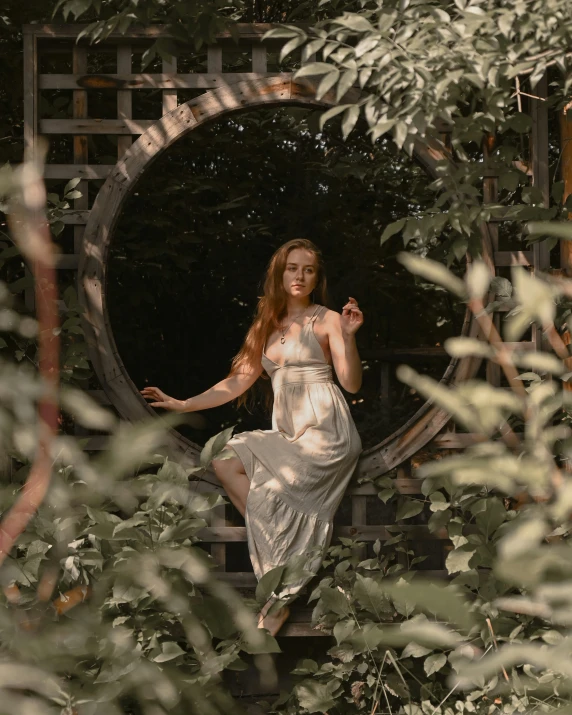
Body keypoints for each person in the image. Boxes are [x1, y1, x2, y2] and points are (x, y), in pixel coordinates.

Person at [140, 238, 363, 636]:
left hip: (327, 434)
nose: (299, 276)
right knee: (225, 459)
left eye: (308, 269)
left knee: (267, 491)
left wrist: (348, 335)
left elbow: (349, 383)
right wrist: (184, 403)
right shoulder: (266, 324)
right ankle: (285, 570)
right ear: (279, 273)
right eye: (292, 268)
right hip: (289, 435)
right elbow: (237, 381)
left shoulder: (329, 319)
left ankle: (277, 602)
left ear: (317, 277)